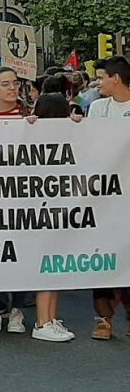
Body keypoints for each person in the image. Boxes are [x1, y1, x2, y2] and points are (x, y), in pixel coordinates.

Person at [21, 93, 78, 342]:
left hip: (51, 209)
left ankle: (51, 319)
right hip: (49, 211)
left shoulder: (52, 131)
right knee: (47, 266)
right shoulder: (37, 131)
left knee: (56, 266)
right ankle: (42, 322)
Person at [84, 56, 130, 341]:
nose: (97, 83)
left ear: (116, 78)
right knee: (102, 253)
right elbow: (92, 143)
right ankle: (103, 318)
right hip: (105, 193)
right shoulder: (98, 108)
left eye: (101, 78)